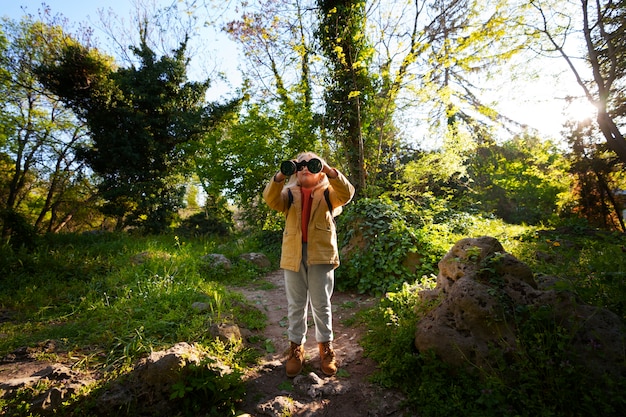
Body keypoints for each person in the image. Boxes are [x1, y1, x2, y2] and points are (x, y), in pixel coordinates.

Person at [263, 152, 355, 377]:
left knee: (321, 304)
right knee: (296, 304)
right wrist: (280, 175)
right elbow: (271, 200)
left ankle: (326, 348)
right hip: (293, 255)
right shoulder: (288, 194)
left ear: (319, 169)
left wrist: (329, 170)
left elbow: (347, 193)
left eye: (311, 164)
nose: (305, 167)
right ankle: (296, 348)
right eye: (300, 164)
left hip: (321, 255)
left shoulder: (328, 193)